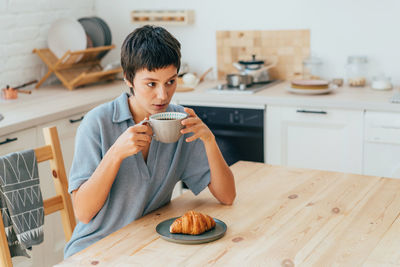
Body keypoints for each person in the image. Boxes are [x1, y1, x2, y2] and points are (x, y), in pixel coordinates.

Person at [63, 25, 236, 258]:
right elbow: (83, 212)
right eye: (151, 84)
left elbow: (227, 196)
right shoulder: (97, 123)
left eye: (171, 81)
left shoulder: (180, 121)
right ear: (128, 78)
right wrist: (115, 154)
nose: (163, 95)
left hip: (147, 245)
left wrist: (209, 140)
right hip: (95, 249)